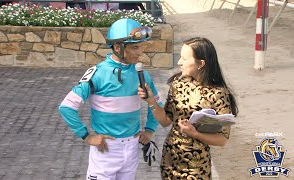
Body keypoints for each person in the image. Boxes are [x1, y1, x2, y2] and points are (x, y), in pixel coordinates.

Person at [58, 18, 162, 180]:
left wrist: (150, 129)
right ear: (118, 47)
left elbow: (156, 102)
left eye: (141, 46)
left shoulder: (142, 73)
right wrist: (87, 136)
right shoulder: (97, 73)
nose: (140, 52)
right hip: (106, 150)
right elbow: (66, 106)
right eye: (135, 47)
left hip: (132, 147)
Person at [138, 37, 238, 179]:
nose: (179, 62)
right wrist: (151, 101)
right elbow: (166, 121)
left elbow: (222, 139)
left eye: (184, 59)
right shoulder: (178, 85)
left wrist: (195, 134)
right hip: (170, 161)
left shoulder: (218, 94)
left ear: (201, 64)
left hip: (197, 166)